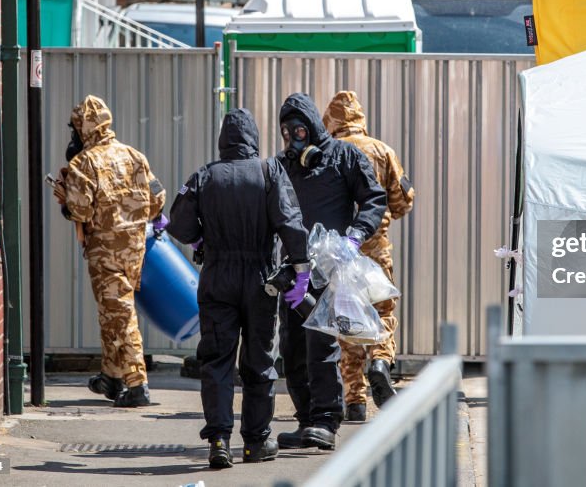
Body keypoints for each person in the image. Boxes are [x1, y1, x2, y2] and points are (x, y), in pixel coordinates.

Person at [167, 108, 309, 469]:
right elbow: (290, 222)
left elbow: (180, 226)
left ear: (223, 140)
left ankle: (218, 440)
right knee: (259, 362)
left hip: (217, 277)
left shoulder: (205, 175)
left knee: (216, 360)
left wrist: (202, 238)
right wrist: (300, 268)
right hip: (261, 280)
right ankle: (256, 443)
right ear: (254, 139)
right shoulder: (268, 171)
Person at [275, 92, 387, 450]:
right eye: (287, 131)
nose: (294, 136)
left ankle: (326, 419)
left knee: (320, 344)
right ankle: (306, 419)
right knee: (291, 347)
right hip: (294, 269)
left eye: (299, 128)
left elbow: (374, 199)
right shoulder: (282, 165)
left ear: (312, 125)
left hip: (330, 267)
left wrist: (354, 237)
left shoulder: (344, 156)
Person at [56, 95, 166, 408]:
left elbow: (78, 210)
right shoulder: (134, 156)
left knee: (120, 314)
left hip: (104, 251)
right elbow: (157, 200)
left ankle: (136, 383)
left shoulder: (83, 163)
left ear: (82, 129)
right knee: (112, 312)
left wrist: (65, 199)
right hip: (133, 250)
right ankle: (112, 374)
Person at [323, 90, 415, 421]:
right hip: (377, 252)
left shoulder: (327, 152)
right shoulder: (383, 151)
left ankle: (356, 401)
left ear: (330, 121)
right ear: (360, 117)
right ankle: (380, 360)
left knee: (346, 321)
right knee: (383, 313)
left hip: (341, 254)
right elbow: (403, 203)